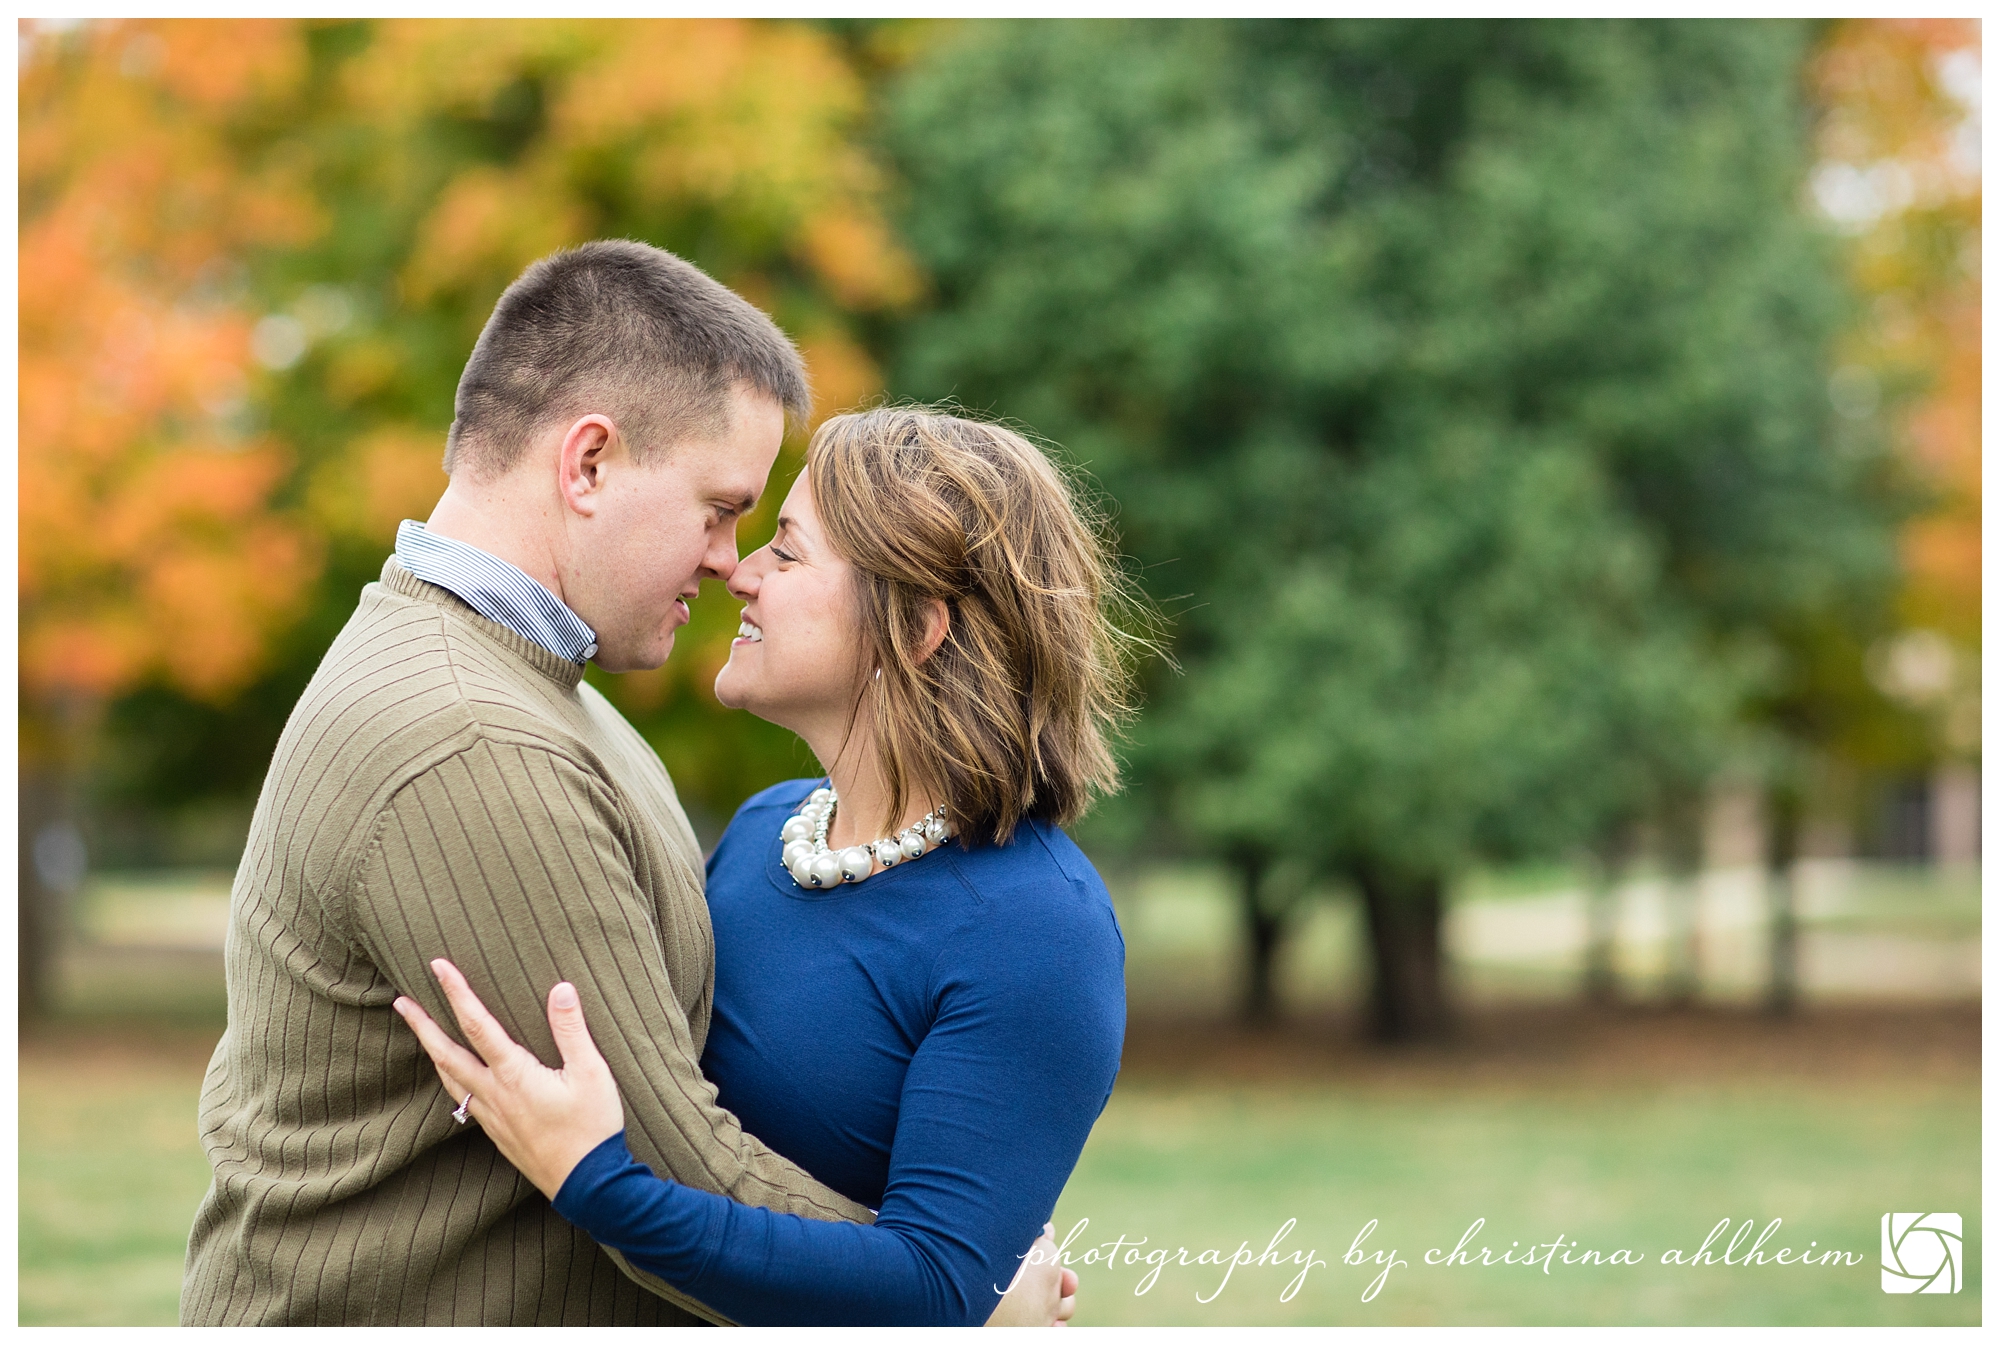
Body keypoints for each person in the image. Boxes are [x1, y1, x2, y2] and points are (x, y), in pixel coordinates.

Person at [183, 241, 1028, 1325]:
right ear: (586, 464)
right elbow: (669, 1174)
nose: (733, 561)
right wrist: (965, 1299)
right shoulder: (471, 739)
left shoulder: (535, 688)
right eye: (720, 507)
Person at [394, 408, 1134, 1326]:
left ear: (914, 630)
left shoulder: (1036, 930)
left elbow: (939, 1291)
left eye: (786, 552)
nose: (738, 574)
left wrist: (598, 1185)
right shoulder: (762, 831)